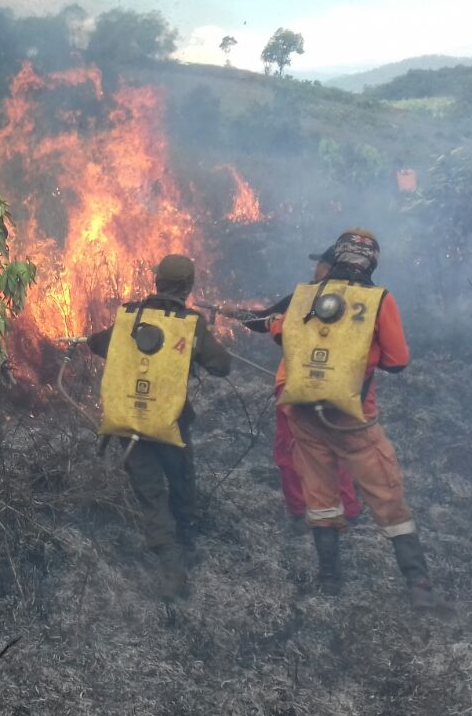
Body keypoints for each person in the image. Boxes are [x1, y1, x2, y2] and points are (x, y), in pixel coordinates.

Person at [270, 229, 447, 610]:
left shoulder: (305, 294)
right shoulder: (378, 299)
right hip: (352, 418)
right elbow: (397, 361)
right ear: (372, 262)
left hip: (303, 412)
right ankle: (418, 584)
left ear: (336, 256)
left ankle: (329, 581)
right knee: (387, 493)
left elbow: (279, 333)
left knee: (320, 497)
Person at [84, 254, 231, 600]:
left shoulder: (130, 317)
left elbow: (97, 343)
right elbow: (221, 366)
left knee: (150, 493)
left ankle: (170, 566)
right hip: (170, 423)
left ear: (157, 282)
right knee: (181, 482)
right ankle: (186, 542)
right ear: (187, 287)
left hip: (129, 422)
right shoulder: (191, 324)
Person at [226, 247, 361, 527]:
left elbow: (268, 324)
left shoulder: (304, 297)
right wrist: (235, 313)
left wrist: (251, 318)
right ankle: (348, 509)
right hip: (338, 385)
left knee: (289, 449)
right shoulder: (360, 304)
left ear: (330, 268)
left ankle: (300, 512)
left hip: (295, 384)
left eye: (320, 264)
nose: (315, 269)